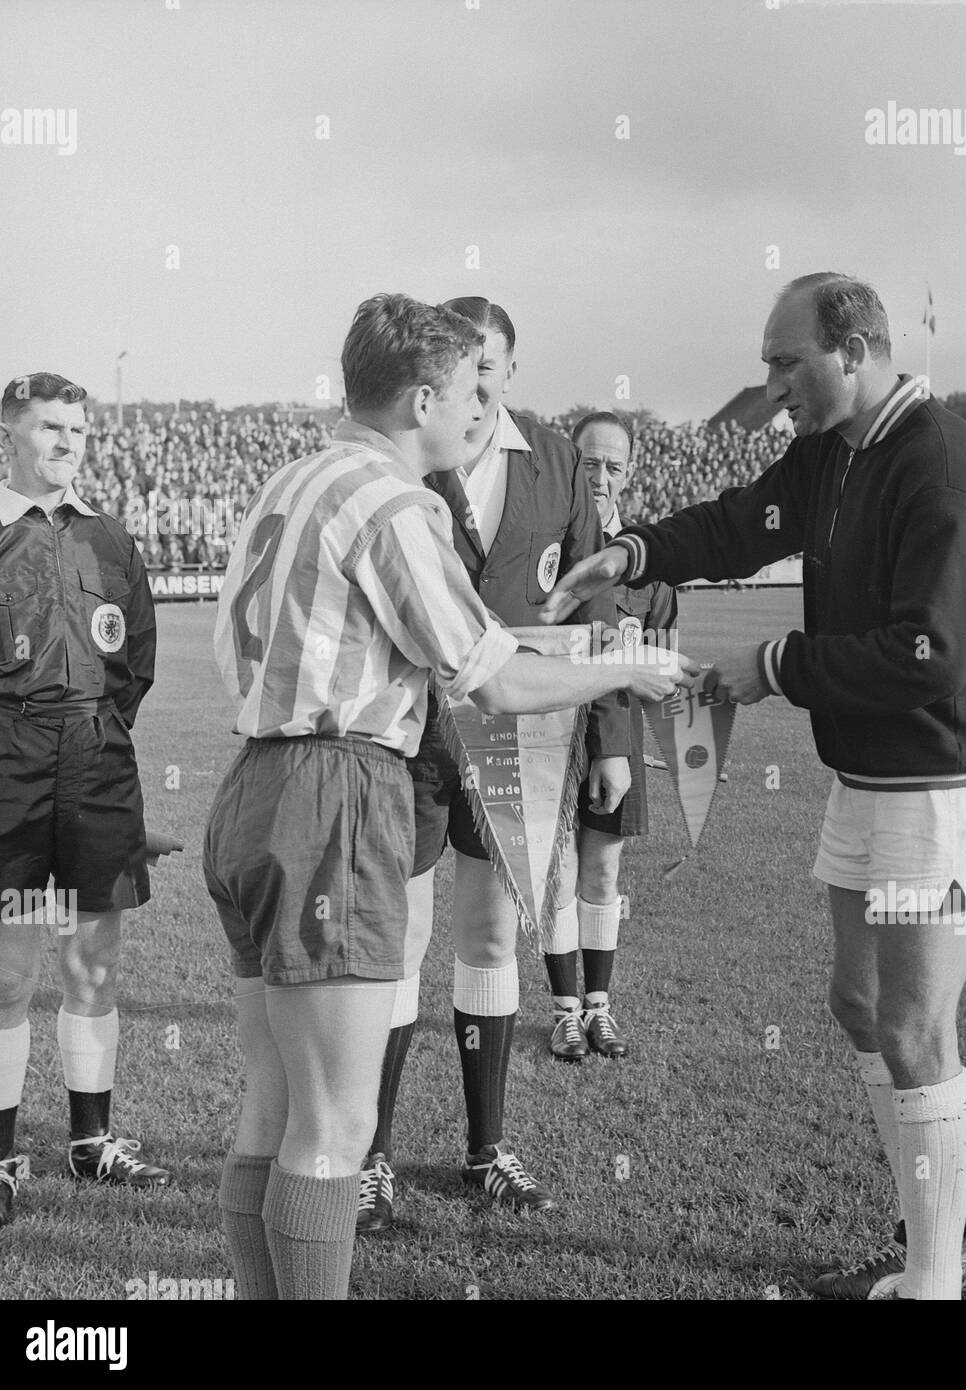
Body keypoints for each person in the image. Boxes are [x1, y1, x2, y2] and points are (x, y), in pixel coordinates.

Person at [544, 273, 966, 1300]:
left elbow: (930, 654)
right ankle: (918, 1240)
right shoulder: (832, 452)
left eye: (785, 362)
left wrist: (774, 666)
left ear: (852, 351)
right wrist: (632, 552)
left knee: (910, 1025)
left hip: (937, 784)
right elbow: (737, 524)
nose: (771, 386)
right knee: (857, 1004)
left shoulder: (936, 464)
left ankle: (935, 1279)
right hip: (869, 775)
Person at [204, 294, 690, 1299]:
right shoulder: (391, 503)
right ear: (421, 395)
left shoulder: (292, 479)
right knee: (332, 1123)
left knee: (273, 1096)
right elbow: (494, 676)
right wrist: (622, 670)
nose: (482, 412)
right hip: (337, 790)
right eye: (471, 390)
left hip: (251, 783)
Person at [356, 298, 633, 1231]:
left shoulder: (555, 460)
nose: (475, 386)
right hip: (412, 730)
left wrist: (616, 742)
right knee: (401, 936)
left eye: (490, 368)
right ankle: (372, 1155)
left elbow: (603, 604)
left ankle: (485, 1150)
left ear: (511, 370)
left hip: (522, 730)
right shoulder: (408, 454)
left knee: (489, 935)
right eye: (460, 368)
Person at [0, 373, 168, 1235]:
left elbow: (134, 668)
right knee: (8, 975)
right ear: (6, 434)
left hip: (95, 770)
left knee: (95, 966)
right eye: (50, 428)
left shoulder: (112, 541)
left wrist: (100, 751)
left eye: (79, 431)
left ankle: (91, 1143)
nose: (66, 443)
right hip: (4, 779)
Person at [542, 411, 677, 1062]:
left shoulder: (650, 567)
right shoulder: (544, 554)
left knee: (602, 869)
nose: (599, 477)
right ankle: (563, 1011)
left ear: (630, 474)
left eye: (612, 466)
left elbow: (658, 660)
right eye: (587, 462)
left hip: (617, 742)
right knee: (557, 873)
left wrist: (654, 741)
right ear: (570, 465)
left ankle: (599, 1006)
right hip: (551, 735)